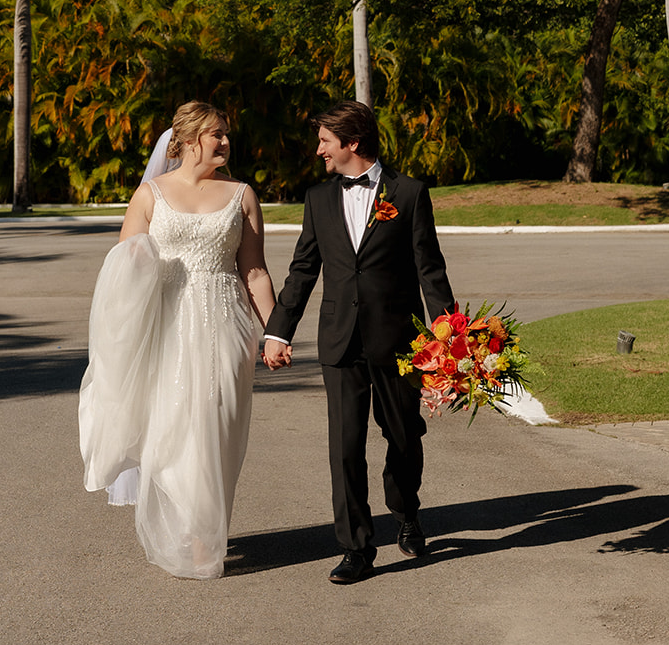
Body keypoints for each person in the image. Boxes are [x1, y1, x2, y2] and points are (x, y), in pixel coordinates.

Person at [78, 102, 276, 579]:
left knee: (218, 425)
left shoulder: (243, 195)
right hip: (166, 325)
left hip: (226, 324)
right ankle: (193, 530)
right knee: (173, 429)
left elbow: (254, 270)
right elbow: (123, 269)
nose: (224, 142)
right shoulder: (150, 194)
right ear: (187, 140)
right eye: (215, 134)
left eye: (226, 133)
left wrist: (275, 331)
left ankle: (207, 525)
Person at [263, 100, 454, 584]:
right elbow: (303, 269)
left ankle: (406, 512)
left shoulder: (409, 194)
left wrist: (450, 336)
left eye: (325, 140)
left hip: (399, 343)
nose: (319, 149)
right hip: (340, 341)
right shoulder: (318, 199)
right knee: (345, 448)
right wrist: (277, 331)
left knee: (405, 438)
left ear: (352, 143)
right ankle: (356, 548)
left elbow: (430, 270)